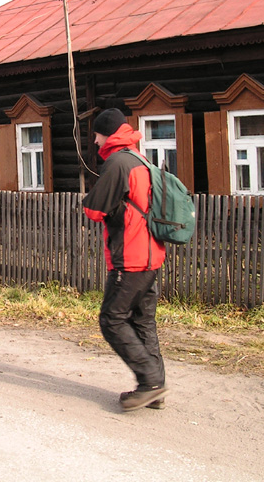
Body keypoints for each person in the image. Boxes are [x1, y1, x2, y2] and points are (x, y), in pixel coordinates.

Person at [83, 108, 169, 412]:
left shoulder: (117, 163)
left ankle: (151, 382)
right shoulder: (140, 159)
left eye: (96, 134)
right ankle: (155, 391)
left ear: (107, 133)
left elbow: (94, 210)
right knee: (143, 321)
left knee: (112, 319)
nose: (94, 141)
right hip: (151, 254)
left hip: (130, 257)